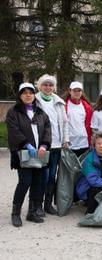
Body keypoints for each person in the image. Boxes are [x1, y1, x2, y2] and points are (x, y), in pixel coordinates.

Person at [6, 83, 51, 227]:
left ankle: (32, 212)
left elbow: (47, 129)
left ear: (34, 95)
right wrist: (26, 144)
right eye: (24, 93)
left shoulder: (40, 112)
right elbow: (13, 130)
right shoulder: (14, 112)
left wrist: (44, 144)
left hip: (39, 153)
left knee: (37, 183)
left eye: (30, 92)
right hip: (23, 153)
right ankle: (15, 213)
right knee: (24, 182)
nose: (28, 95)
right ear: (20, 95)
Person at [35, 74, 69, 216]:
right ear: (40, 86)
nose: (48, 87)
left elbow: (65, 122)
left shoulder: (59, 102)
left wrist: (65, 140)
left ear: (54, 87)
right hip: (42, 145)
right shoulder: (35, 100)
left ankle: (48, 204)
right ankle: (37, 205)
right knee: (41, 175)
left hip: (56, 145)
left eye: (50, 85)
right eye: (45, 84)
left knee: (52, 176)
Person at [75, 132, 102, 214]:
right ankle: (90, 213)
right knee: (95, 190)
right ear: (94, 145)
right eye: (98, 143)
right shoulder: (89, 159)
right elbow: (93, 179)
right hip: (87, 187)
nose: (101, 146)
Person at [63, 81, 92, 157]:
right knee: (71, 168)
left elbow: (89, 124)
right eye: (74, 90)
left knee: (83, 167)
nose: (77, 93)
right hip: (69, 143)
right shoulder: (64, 105)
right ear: (70, 91)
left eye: (79, 90)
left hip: (84, 142)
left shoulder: (86, 106)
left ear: (82, 92)